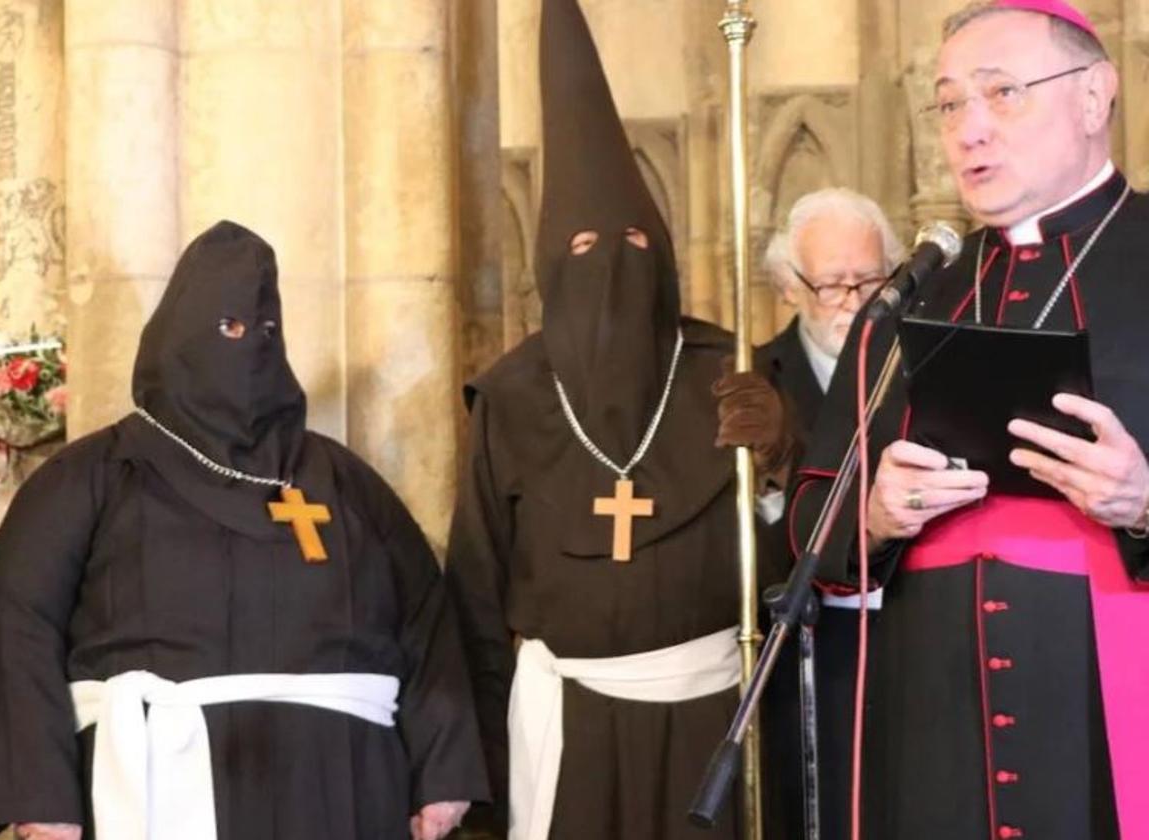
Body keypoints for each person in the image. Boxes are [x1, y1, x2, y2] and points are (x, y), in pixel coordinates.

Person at [733, 1, 1149, 837]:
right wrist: (877, 515)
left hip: (1104, 708)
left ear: (1096, 96)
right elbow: (817, 517)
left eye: (1002, 93)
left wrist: (1145, 502)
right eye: (951, 102)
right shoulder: (919, 294)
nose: (970, 130)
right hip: (934, 722)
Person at [0, 221, 488, 840]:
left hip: (343, 786)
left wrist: (444, 773)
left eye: (266, 331)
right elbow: (17, 628)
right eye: (228, 329)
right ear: (175, 338)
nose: (250, 347)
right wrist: (40, 796)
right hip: (157, 782)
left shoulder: (344, 481)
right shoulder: (89, 477)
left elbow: (426, 625)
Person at [443, 2, 771, 838]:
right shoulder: (511, 399)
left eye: (634, 241)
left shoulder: (727, 372)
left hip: (714, 724)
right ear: (552, 261)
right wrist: (469, 781)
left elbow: (800, 552)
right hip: (568, 726)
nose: (615, 266)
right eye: (586, 250)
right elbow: (474, 601)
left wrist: (778, 455)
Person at [717, 190, 902, 839]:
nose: (853, 301)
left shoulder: (920, 364)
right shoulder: (752, 382)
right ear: (788, 287)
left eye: (870, 281)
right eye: (830, 285)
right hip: (799, 659)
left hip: (906, 644)